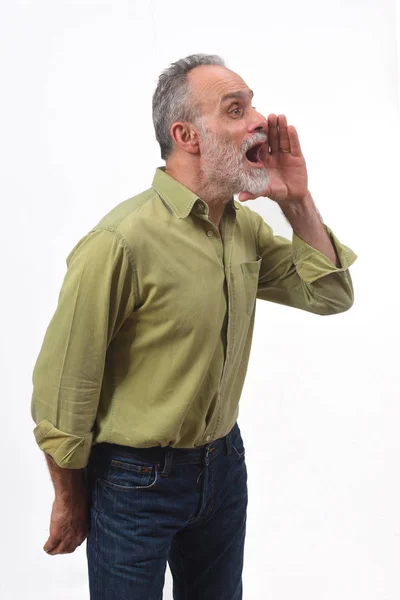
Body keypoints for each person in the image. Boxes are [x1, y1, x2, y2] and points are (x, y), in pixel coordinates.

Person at [31, 53, 357, 599]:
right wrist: (69, 497)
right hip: (134, 481)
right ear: (187, 135)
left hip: (224, 466)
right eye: (236, 109)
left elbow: (329, 294)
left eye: (252, 104)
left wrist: (297, 199)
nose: (259, 120)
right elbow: (64, 390)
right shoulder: (119, 242)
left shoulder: (243, 228)